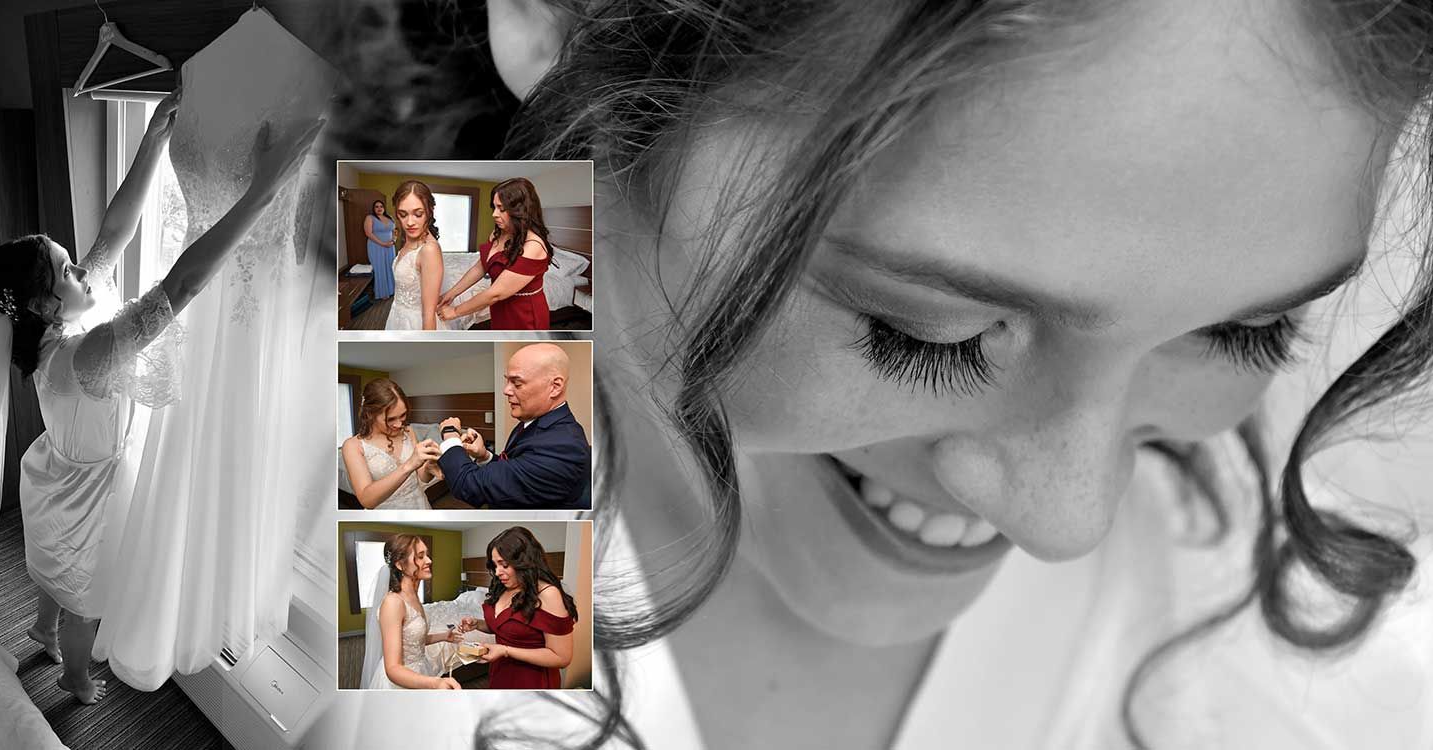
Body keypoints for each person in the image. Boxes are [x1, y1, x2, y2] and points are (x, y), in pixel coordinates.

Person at [318, 0, 1433, 748]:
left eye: (1244, 331)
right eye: (925, 331)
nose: (1067, 515)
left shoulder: (1317, 667)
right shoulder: (269, 437)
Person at [0, 85, 321, 704]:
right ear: (41, 302)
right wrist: (260, 192)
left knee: (53, 566)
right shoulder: (87, 353)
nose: (81, 270)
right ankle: (75, 674)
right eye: (67, 271)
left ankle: (40, 625)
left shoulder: (46, 331)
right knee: (89, 593)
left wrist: (152, 141)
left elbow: (115, 229)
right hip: (90, 494)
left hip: (58, 471)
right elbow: (184, 285)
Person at [435, 343, 589, 510]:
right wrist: (485, 455)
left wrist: (450, 434)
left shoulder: (563, 447)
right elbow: (514, 471)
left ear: (555, 387)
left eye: (517, 383)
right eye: (507, 381)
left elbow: (469, 486)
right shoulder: (530, 421)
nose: (506, 390)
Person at [457, 527, 577, 690]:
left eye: (504, 565)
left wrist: (506, 651)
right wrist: (477, 624)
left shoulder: (548, 594)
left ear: (524, 562)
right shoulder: (502, 588)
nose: (498, 572)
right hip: (500, 673)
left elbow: (562, 657)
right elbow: (505, 628)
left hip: (532, 680)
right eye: (495, 565)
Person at [437, 177, 552, 330]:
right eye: (494, 207)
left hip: (523, 314)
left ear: (520, 210)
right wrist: (452, 293)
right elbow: (480, 267)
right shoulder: (499, 233)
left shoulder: (534, 246)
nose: (494, 214)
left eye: (501, 209)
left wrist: (455, 311)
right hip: (500, 308)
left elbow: (495, 293)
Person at [367, 534, 464, 690]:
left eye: (427, 554)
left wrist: (444, 637)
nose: (429, 561)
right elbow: (392, 669)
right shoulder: (393, 603)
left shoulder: (413, 595)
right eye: (420, 556)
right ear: (400, 565)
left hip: (420, 669)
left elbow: (412, 641)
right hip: (401, 680)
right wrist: (436, 683)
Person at [342, 378, 441, 510]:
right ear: (370, 413)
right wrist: (409, 465)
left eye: (403, 415)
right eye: (391, 419)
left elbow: (421, 478)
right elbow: (367, 500)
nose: (399, 424)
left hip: (419, 506)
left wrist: (428, 467)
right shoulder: (352, 446)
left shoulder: (408, 431)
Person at [384, 180, 446, 330]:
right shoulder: (408, 238)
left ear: (429, 211)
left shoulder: (429, 250)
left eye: (418, 214)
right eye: (403, 214)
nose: (409, 222)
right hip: (397, 315)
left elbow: (428, 315)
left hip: (415, 324)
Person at [364, 200, 396, 299]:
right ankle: (383, 292)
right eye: (376, 206)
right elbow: (368, 233)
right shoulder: (370, 218)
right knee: (380, 268)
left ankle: (392, 290)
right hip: (376, 247)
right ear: (374, 209)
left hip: (390, 247)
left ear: (384, 208)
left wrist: (394, 240)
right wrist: (383, 244)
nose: (379, 208)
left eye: (381, 206)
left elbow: (395, 231)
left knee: (391, 267)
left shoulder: (389, 217)